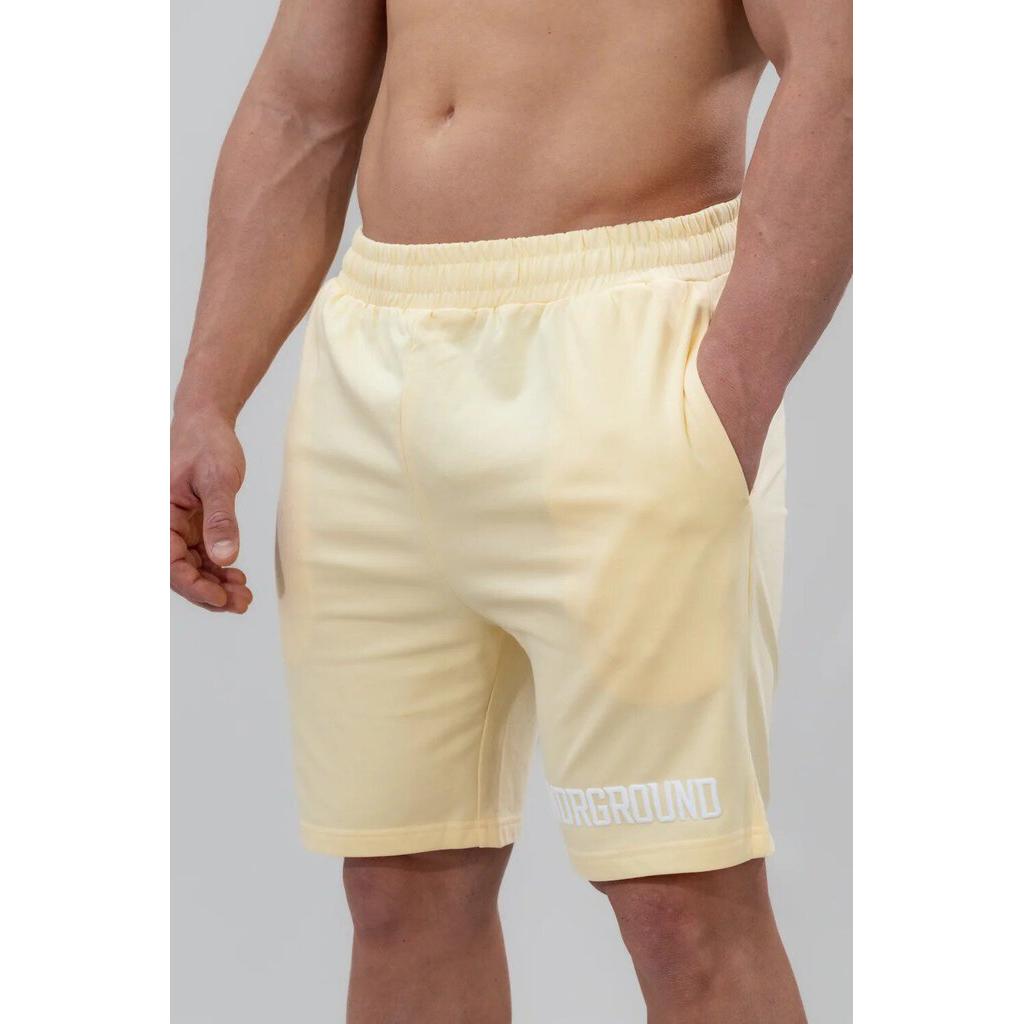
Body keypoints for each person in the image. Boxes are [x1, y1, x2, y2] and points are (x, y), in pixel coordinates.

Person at [170, 0, 850, 1020]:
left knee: (682, 901)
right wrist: (207, 397)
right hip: (374, 367)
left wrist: (732, 391)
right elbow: (299, 107)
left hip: (622, 346)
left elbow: (848, 70)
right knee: (398, 892)